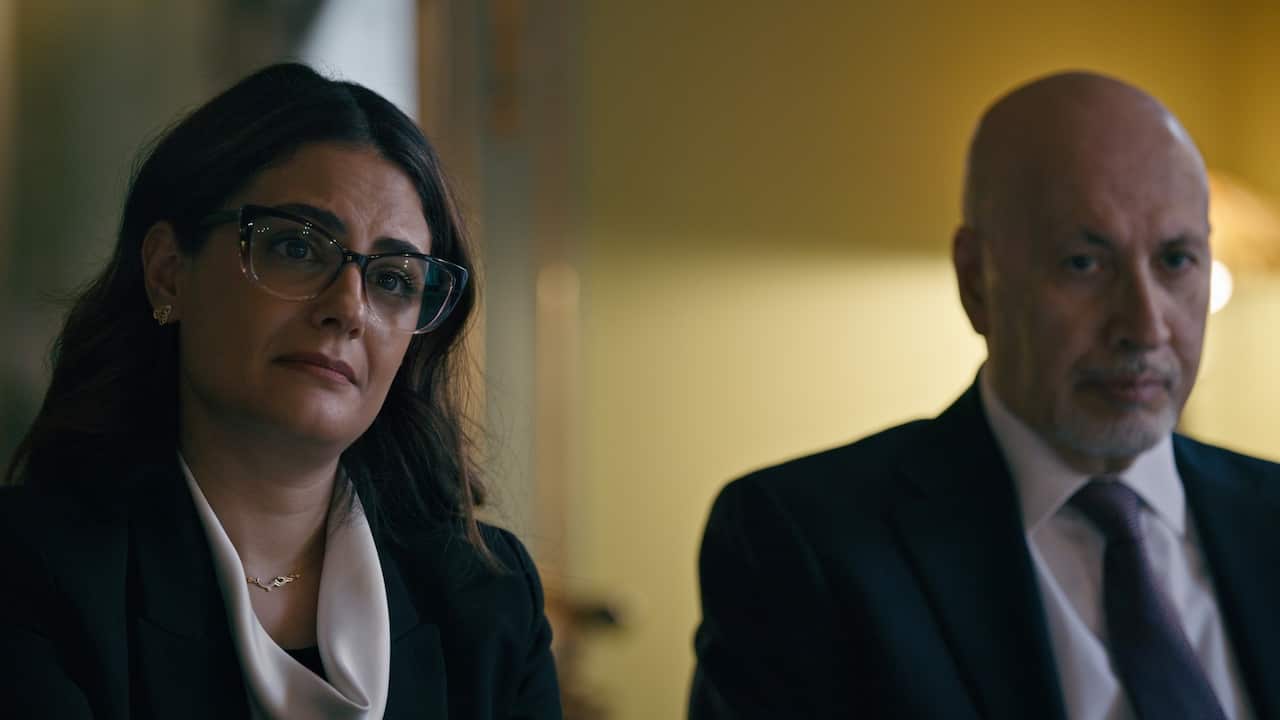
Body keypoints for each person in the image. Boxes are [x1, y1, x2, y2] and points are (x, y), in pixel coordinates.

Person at [689, 71, 1280, 719]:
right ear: (976, 280)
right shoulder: (804, 541)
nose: (1144, 327)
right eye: (1083, 263)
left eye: (1176, 260)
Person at [0, 63, 561, 719]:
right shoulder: (32, 571)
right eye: (296, 247)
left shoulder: (489, 600)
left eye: (392, 280)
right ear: (169, 273)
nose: (348, 308)